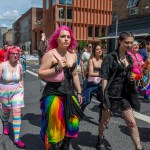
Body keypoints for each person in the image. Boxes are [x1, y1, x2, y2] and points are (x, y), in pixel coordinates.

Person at [38, 25, 84, 150]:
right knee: (56, 125)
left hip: (69, 93)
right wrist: (57, 68)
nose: (66, 39)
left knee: (73, 122)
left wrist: (79, 92)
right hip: (54, 93)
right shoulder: (50, 55)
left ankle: (65, 144)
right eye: (63, 36)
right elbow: (40, 73)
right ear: (57, 39)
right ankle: (56, 146)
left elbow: (74, 75)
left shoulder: (73, 55)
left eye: (68, 37)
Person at [96, 32, 143, 150]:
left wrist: (130, 77)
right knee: (104, 122)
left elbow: (127, 74)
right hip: (111, 95)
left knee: (132, 123)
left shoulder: (129, 57)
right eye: (127, 42)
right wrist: (104, 96)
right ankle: (100, 139)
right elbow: (105, 78)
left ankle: (138, 147)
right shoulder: (110, 57)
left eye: (131, 42)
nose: (129, 45)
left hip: (123, 96)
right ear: (120, 41)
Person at [0, 46, 25, 148]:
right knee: (6, 112)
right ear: (9, 54)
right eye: (13, 53)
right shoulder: (2, 66)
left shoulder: (19, 66)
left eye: (17, 54)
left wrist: (22, 91)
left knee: (17, 112)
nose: (15, 55)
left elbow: (21, 79)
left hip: (17, 91)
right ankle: (5, 123)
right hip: (4, 92)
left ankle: (17, 138)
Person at [81, 44, 103, 111]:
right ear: (94, 51)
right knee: (86, 101)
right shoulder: (91, 60)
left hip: (100, 83)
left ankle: (102, 117)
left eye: (100, 49)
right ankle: (80, 112)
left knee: (104, 99)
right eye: (97, 49)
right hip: (91, 83)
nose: (99, 50)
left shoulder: (103, 60)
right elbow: (91, 73)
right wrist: (101, 74)